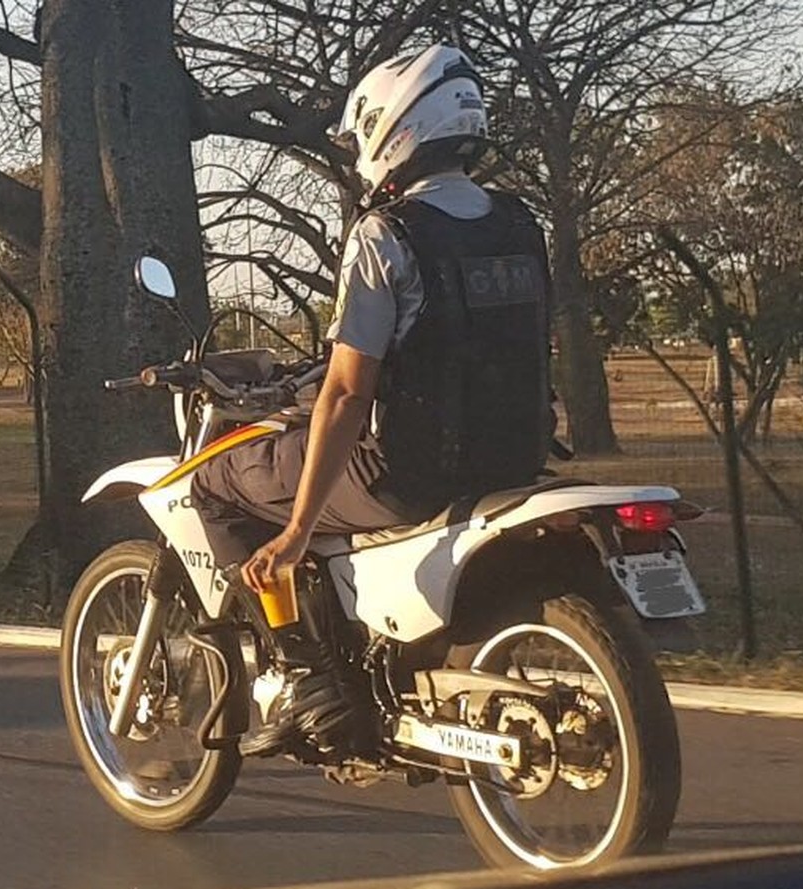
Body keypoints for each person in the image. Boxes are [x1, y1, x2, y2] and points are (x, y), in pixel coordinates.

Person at [190, 44, 554, 755]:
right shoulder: (520, 223)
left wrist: (293, 533)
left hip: (408, 473)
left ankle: (308, 680)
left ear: (394, 129)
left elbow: (348, 391)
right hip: (514, 458)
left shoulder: (385, 236)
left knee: (217, 480)